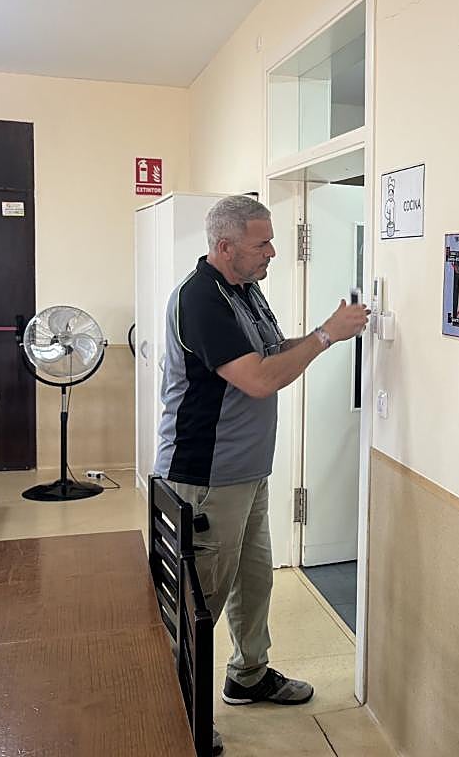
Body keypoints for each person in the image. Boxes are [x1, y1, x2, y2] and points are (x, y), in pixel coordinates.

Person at [154, 194, 368, 753]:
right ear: (225, 247)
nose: (272, 252)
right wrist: (325, 336)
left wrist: (328, 331)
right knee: (200, 598)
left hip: (247, 474)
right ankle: (179, 707)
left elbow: (274, 354)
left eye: (272, 240)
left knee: (253, 582)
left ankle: (248, 675)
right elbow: (259, 380)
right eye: (261, 244)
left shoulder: (246, 292)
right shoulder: (202, 300)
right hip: (204, 479)